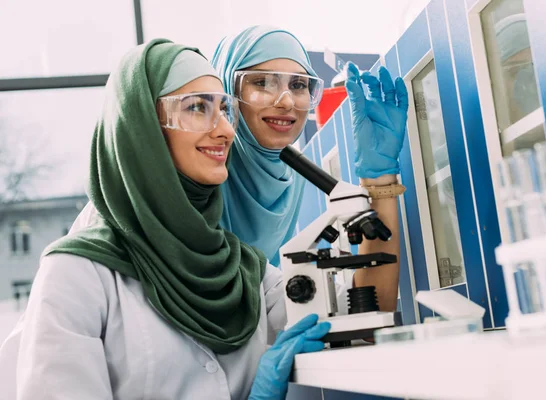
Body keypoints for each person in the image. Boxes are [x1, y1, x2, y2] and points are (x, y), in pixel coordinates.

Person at [0, 39, 331, 400]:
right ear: (143, 130)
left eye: (224, 109)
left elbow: (342, 312)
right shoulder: (77, 274)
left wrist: (378, 184)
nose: (225, 130)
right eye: (197, 108)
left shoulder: (245, 269)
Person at [212, 25, 409, 311]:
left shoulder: (295, 181)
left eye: (298, 85)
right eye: (262, 82)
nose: (287, 101)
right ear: (227, 93)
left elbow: (370, 308)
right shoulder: (200, 185)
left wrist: (380, 180)